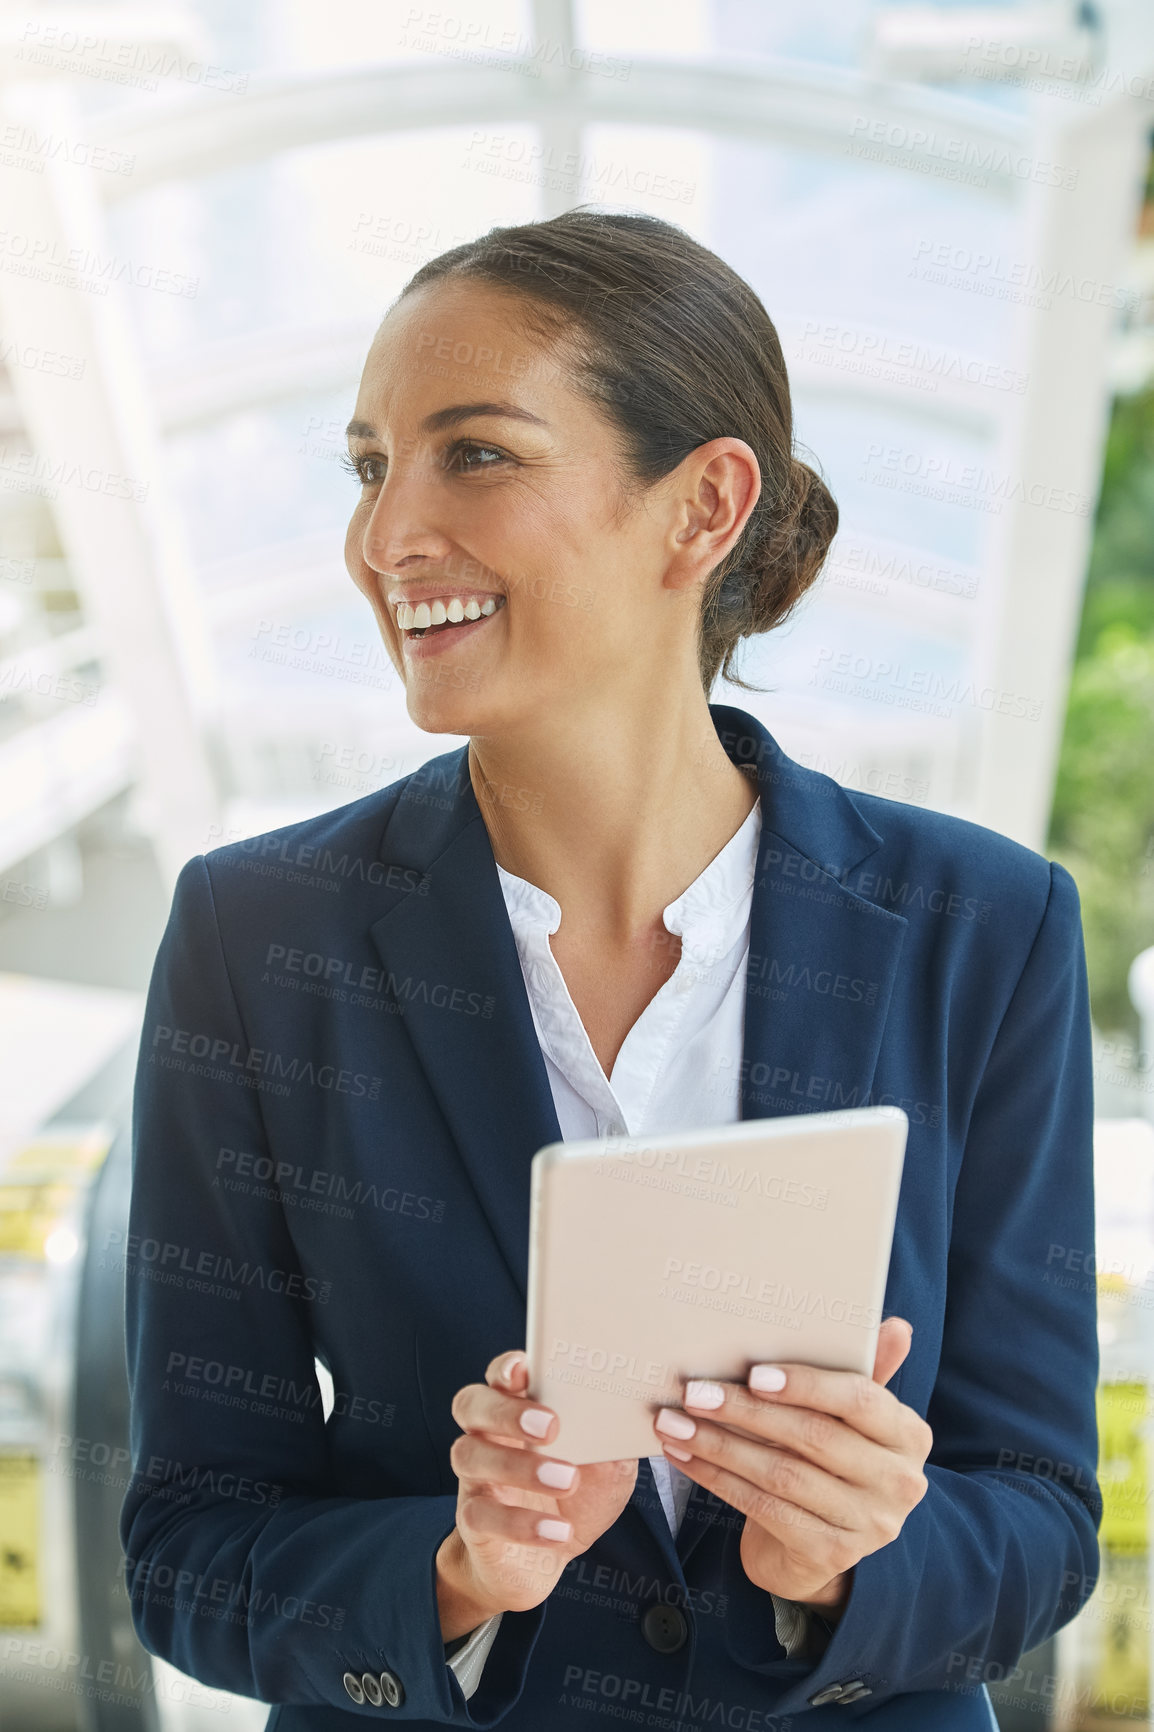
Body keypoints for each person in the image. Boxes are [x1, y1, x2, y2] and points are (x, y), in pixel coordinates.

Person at [119, 209, 1101, 1731]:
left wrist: (841, 1560)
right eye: (372, 467)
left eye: (478, 454)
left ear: (702, 504)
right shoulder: (260, 940)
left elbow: (1040, 1519)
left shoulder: (981, 927)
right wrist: (455, 1572)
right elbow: (188, 1545)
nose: (388, 538)